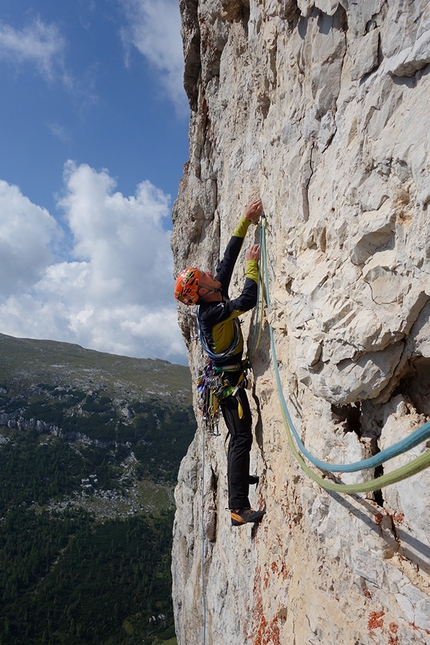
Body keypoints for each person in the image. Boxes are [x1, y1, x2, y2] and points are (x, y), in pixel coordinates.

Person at [174, 198, 266, 527]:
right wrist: (252, 267)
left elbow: (228, 256)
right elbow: (248, 300)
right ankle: (238, 506)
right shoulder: (211, 311)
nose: (212, 273)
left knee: (238, 434)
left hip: (223, 378)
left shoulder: (213, 291)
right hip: (225, 384)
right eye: (205, 275)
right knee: (241, 436)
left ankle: (238, 481)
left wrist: (245, 219)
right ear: (201, 287)